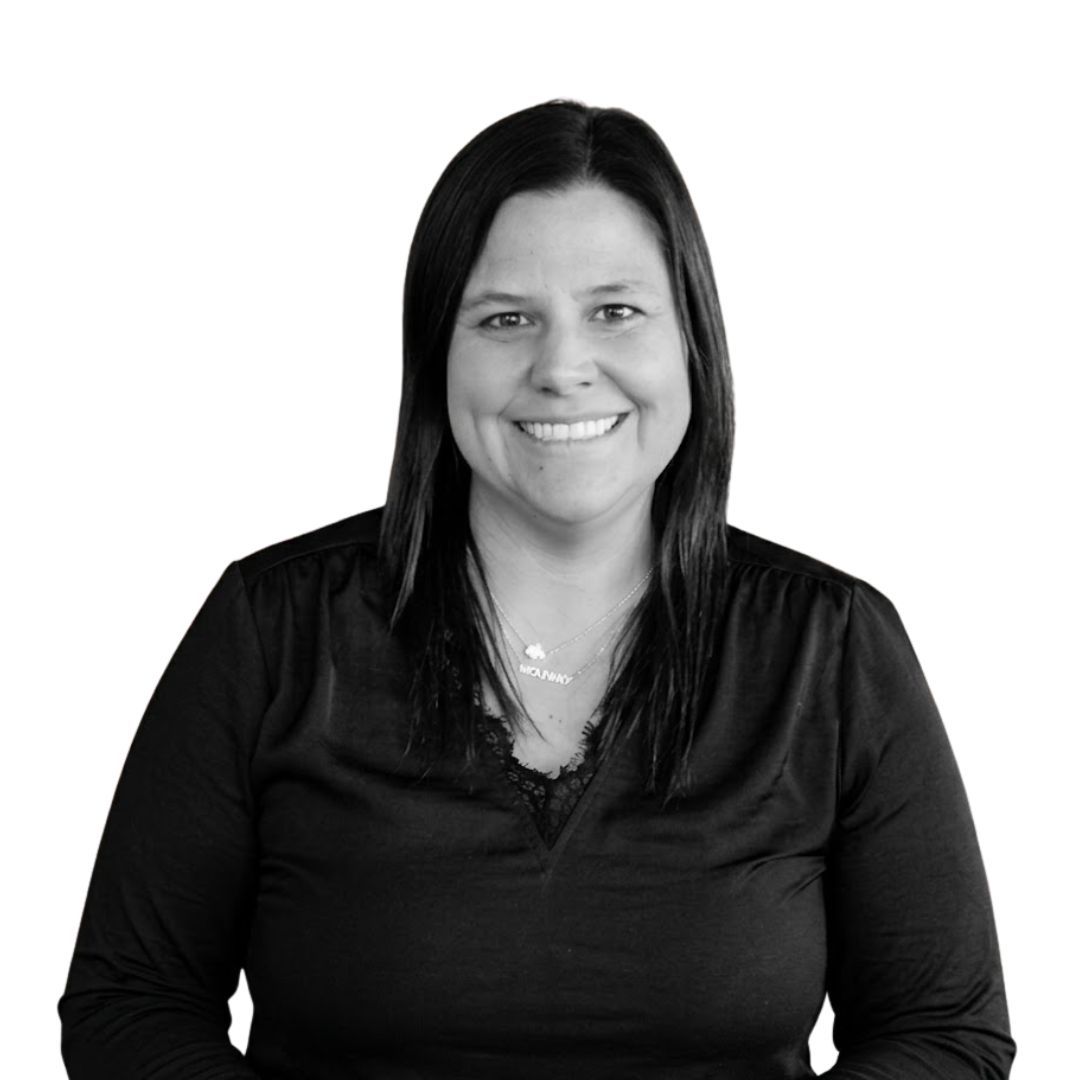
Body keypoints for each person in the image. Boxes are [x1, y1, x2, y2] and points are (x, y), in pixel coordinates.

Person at [58, 100, 1015, 1079]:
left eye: (616, 311)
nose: (562, 368)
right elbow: (129, 1006)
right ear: (439, 356)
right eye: (507, 319)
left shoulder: (833, 646)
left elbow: (943, 1031)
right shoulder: (272, 629)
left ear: (692, 342)